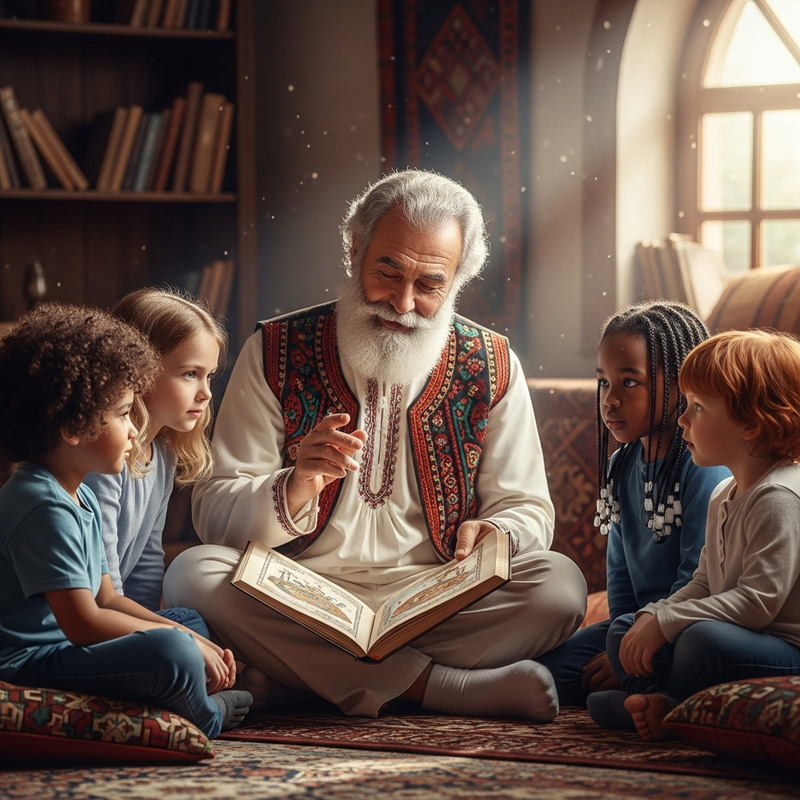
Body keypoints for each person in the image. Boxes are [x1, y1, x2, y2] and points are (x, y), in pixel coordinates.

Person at [164, 168, 588, 721]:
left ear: (458, 279)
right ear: (355, 251)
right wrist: (292, 488)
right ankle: (441, 688)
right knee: (194, 574)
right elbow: (213, 509)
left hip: (437, 599)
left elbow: (527, 508)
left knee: (560, 588)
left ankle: (305, 680)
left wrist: (499, 532)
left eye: (430, 284)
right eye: (387, 271)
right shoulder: (273, 350)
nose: (403, 302)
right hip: (297, 594)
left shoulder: (493, 363)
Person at [0, 303, 251, 738]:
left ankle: (171, 691)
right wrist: (180, 645)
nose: (133, 429)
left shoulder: (78, 494)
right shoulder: (40, 502)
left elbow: (111, 599)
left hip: (69, 646)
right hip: (29, 662)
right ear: (72, 428)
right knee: (173, 647)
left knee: (186, 624)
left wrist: (187, 637)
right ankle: (206, 717)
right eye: (121, 415)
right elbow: (84, 622)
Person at [537, 301, 730, 724]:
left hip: (683, 624)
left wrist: (635, 648)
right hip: (632, 630)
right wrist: (619, 646)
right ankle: (643, 695)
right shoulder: (621, 465)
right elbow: (620, 582)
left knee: (694, 650)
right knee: (547, 670)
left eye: (630, 382)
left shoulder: (705, 468)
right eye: (604, 383)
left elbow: (700, 581)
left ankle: (662, 705)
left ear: (681, 386)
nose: (611, 400)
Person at [607, 328, 800, 741]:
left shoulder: (780, 496)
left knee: (702, 642)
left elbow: (757, 604)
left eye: (697, 408)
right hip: (741, 631)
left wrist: (670, 621)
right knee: (626, 626)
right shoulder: (723, 493)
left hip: (783, 646)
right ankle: (661, 703)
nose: (681, 420)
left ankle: (669, 709)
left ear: (750, 423)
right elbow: (704, 583)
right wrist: (655, 617)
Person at [84, 287, 228, 617]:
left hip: (118, 614)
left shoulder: (163, 455)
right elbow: (103, 584)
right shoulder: (103, 460)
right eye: (190, 374)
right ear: (138, 372)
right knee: (186, 633)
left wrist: (150, 633)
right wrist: (145, 641)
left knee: (190, 622)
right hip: (86, 621)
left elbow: (147, 564)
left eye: (210, 376)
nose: (206, 393)